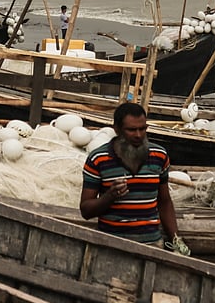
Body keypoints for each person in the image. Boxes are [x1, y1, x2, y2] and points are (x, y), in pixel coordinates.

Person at [79, 102, 190, 255]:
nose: (138, 135)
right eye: (131, 130)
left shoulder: (159, 155)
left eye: (142, 129)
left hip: (152, 245)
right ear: (116, 129)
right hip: (111, 246)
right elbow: (85, 210)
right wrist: (110, 196)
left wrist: (176, 241)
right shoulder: (98, 159)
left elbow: (164, 202)